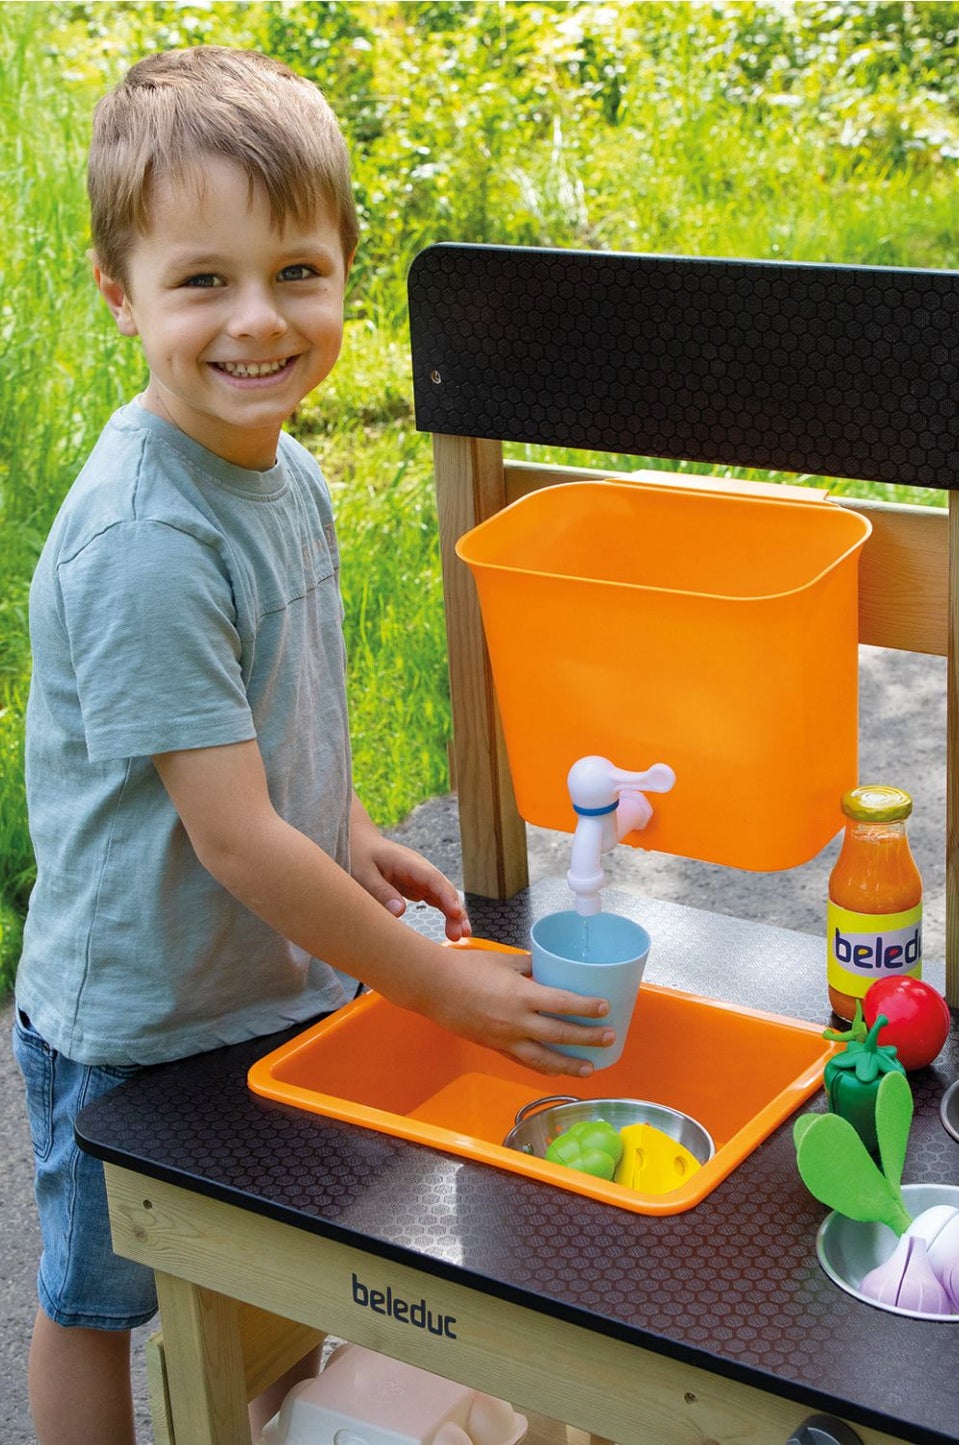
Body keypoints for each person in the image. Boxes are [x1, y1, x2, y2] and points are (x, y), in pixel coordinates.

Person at [13, 46, 612, 1444]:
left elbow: (283, 718)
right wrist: (436, 992)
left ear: (346, 265)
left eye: (296, 271)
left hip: (263, 973)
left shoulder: (285, 471)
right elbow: (227, 836)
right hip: (138, 1013)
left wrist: (346, 832)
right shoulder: (147, 541)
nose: (258, 321)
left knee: (269, 1274)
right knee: (97, 1299)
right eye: (202, 281)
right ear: (120, 295)